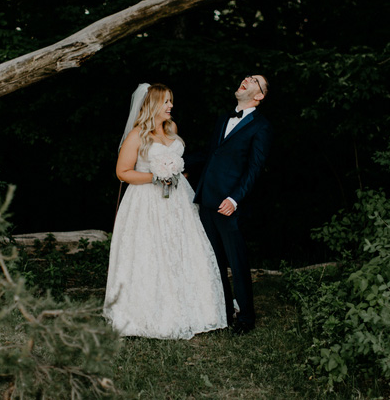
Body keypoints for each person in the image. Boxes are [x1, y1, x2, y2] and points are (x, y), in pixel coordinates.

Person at [103, 83, 227, 339]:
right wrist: (155, 177)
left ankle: (196, 309)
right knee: (151, 251)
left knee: (184, 248)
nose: (171, 106)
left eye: (171, 101)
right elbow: (122, 172)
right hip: (146, 202)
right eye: (166, 101)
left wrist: (174, 174)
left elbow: (179, 167)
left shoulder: (172, 129)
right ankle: (147, 312)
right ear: (152, 105)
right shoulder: (137, 134)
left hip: (179, 199)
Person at [194, 74, 273, 335]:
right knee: (214, 260)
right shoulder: (223, 117)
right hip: (207, 199)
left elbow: (255, 168)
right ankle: (224, 312)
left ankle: (246, 318)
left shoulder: (261, 126)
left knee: (236, 261)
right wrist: (178, 164)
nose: (247, 79)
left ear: (259, 95)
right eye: (247, 76)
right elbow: (210, 154)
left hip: (230, 204)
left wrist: (234, 199)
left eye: (254, 80)